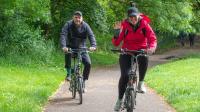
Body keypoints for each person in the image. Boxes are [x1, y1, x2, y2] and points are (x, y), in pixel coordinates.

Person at [112, 6, 157, 111]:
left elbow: (152, 38)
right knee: (124, 75)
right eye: (130, 17)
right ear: (128, 18)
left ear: (138, 16)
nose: (133, 19)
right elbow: (116, 43)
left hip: (141, 50)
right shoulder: (125, 26)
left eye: (134, 16)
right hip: (127, 51)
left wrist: (151, 48)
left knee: (144, 58)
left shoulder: (145, 25)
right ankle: (119, 100)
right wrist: (116, 32)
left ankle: (141, 83)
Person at [60, 11, 97, 91]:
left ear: (82, 18)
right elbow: (63, 34)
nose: (77, 19)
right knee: (68, 53)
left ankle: (83, 82)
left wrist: (93, 45)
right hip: (71, 47)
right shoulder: (68, 24)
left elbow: (91, 35)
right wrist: (64, 46)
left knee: (88, 63)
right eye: (76, 17)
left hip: (82, 48)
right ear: (73, 18)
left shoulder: (86, 26)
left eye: (79, 17)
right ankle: (69, 73)